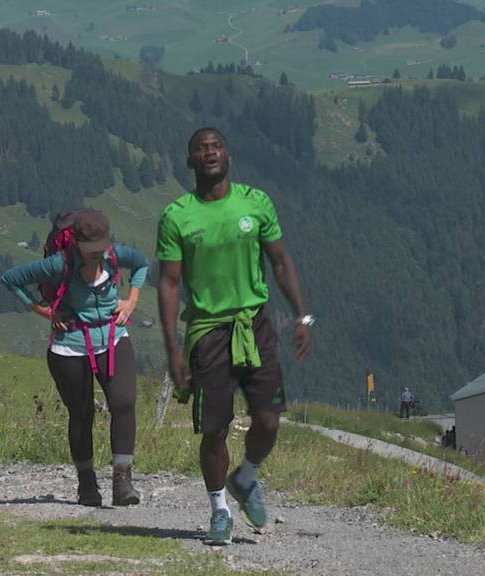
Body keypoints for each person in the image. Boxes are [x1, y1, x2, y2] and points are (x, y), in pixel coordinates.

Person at [157, 127, 311, 546]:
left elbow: (280, 261)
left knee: (268, 418)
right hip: (207, 332)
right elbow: (169, 284)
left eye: (216, 146)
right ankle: (219, 509)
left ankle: (246, 477)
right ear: (190, 161)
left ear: (229, 155)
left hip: (255, 324)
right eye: (200, 149)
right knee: (215, 428)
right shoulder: (177, 215)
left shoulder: (256, 203)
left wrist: (303, 316)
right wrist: (174, 348)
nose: (209, 153)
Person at [1, 209, 148, 508]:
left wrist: (131, 300)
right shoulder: (59, 264)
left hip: (112, 338)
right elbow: (10, 279)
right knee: (81, 415)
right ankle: (87, 484)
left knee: (123, 403)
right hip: (69, 346)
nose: (97, 256)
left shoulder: (115, 254)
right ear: (76, 244)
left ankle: (123, 483)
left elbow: (142, 264)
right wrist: (44, 310)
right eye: (90, 251)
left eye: (101, 250)